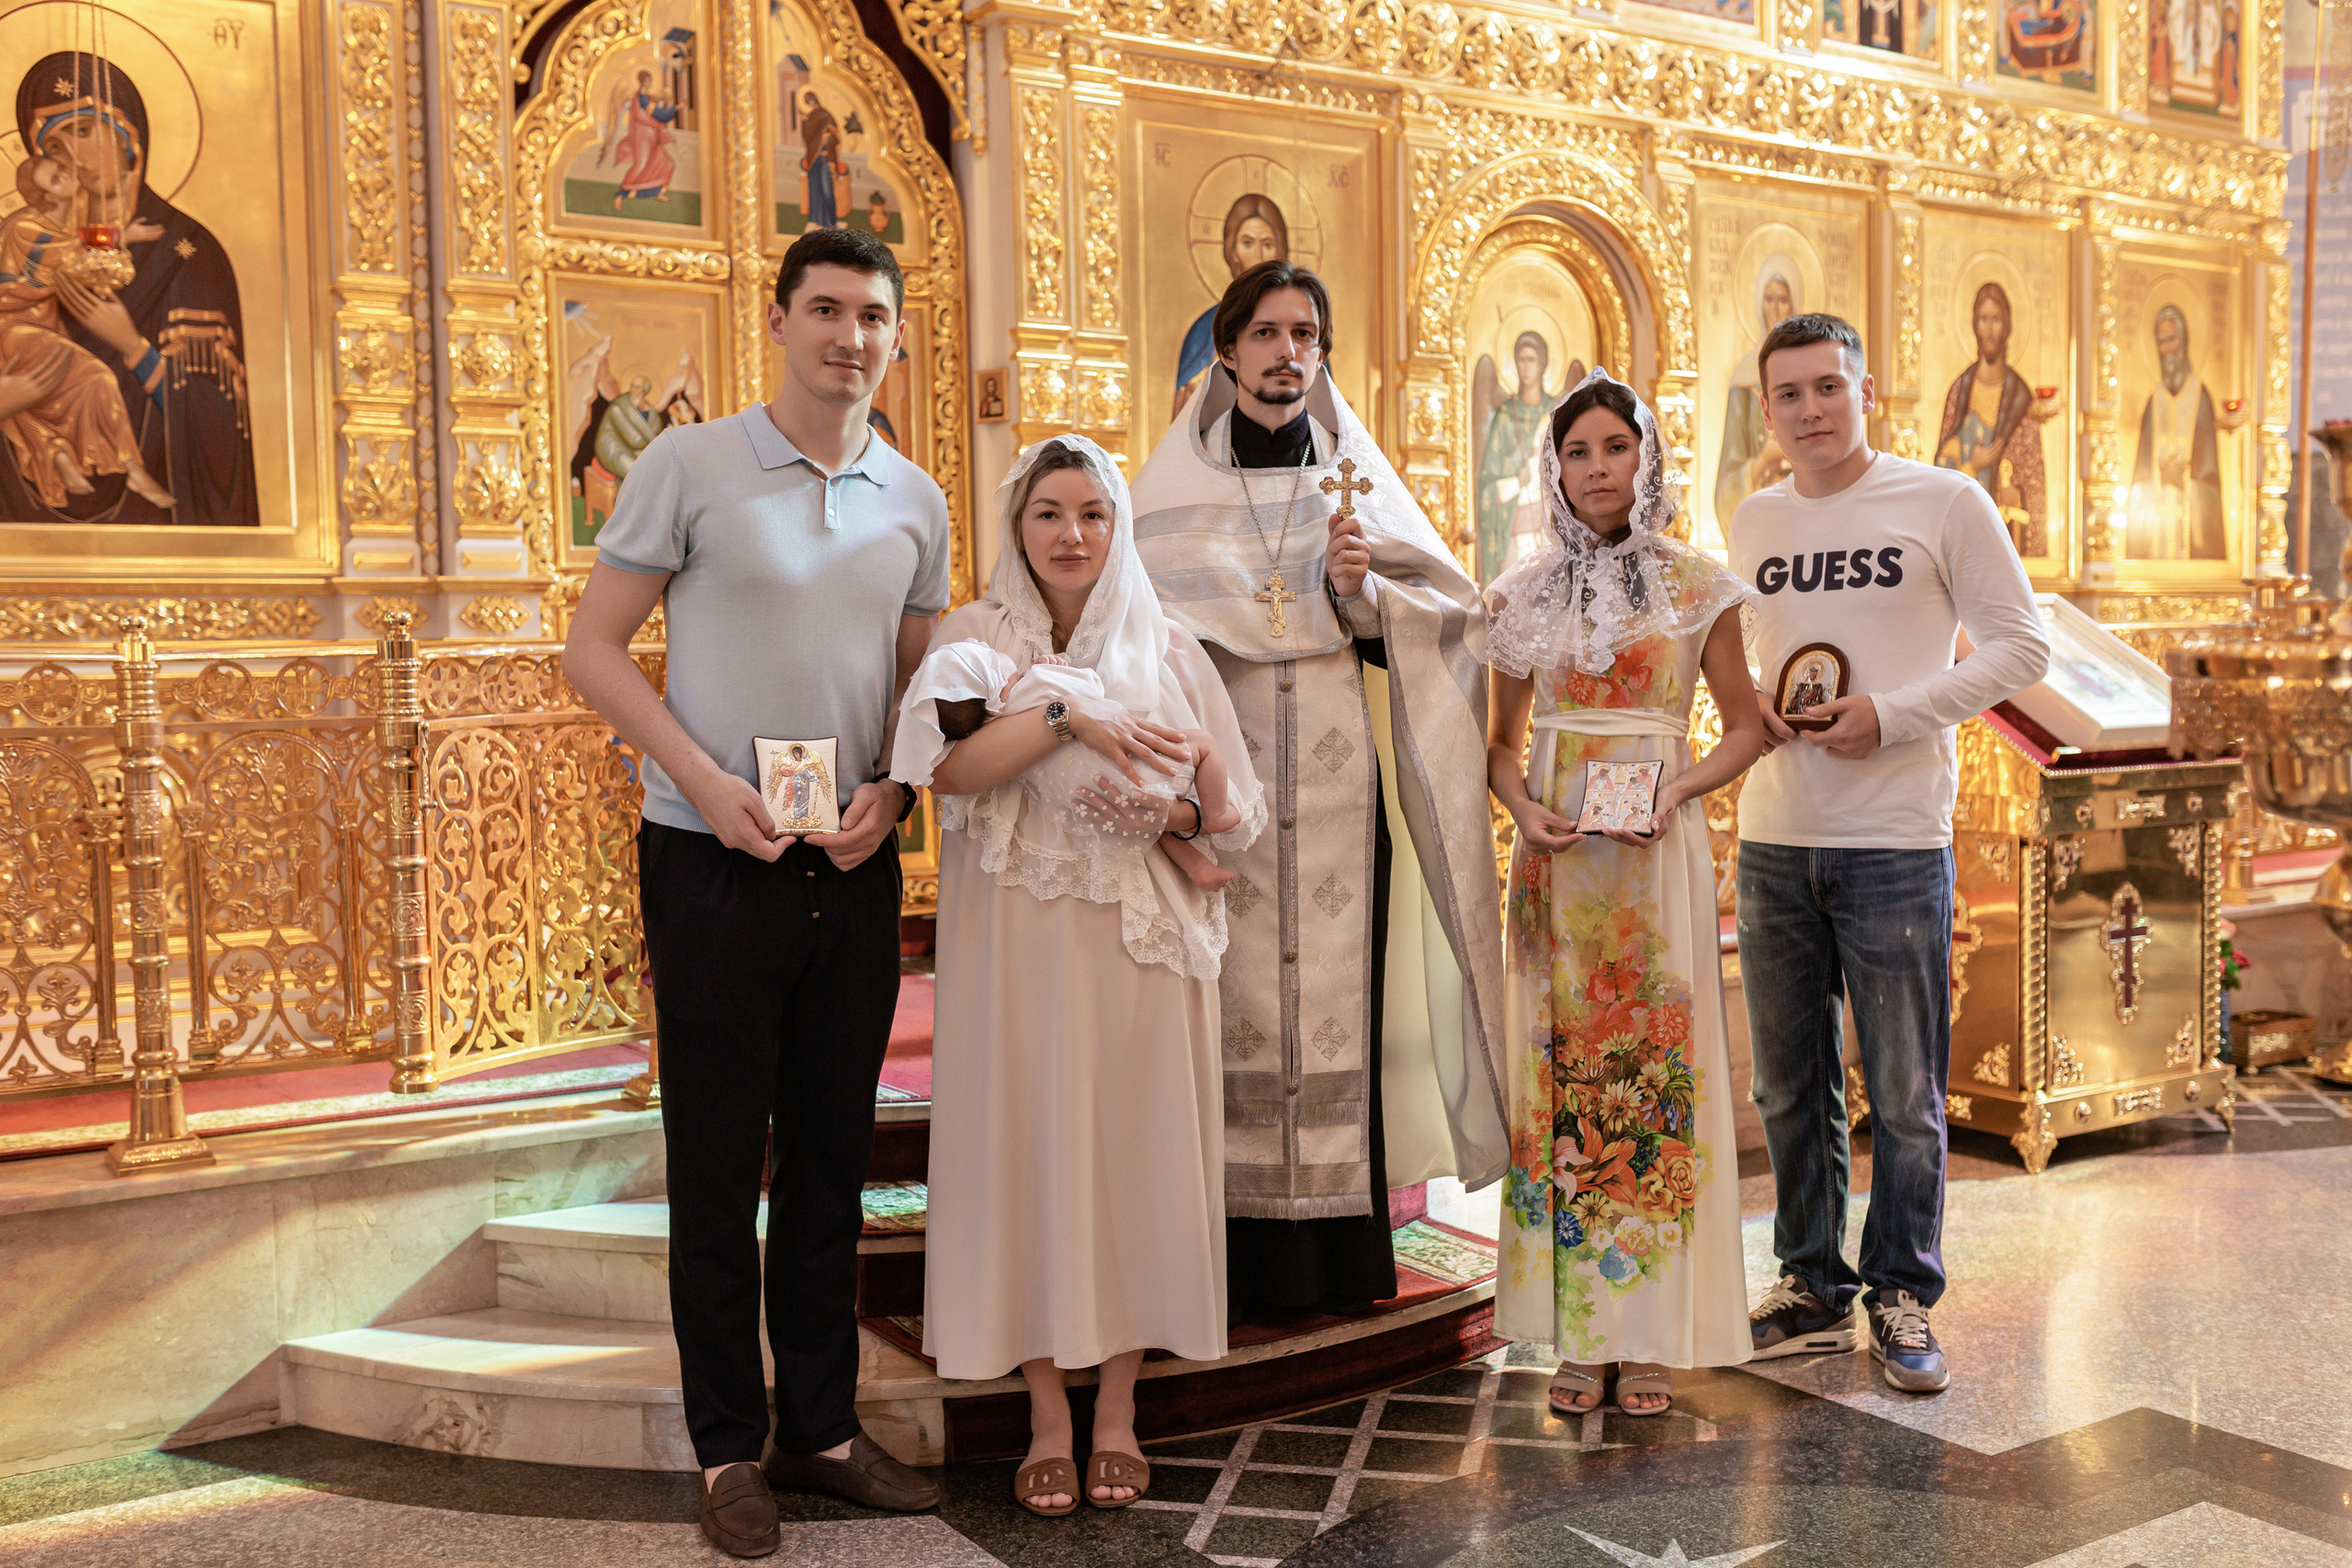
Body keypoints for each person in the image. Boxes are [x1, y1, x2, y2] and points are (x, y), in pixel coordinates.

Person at [561, 226, 950, 1558]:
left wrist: (893, 799)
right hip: (710, 849)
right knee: (721, 1165)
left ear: (895, 336)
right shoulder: (690, 464)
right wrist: (702, 776)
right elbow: (593, 646)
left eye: (874, 316)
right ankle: (731, 1444)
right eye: (827, 310)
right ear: (779, 320)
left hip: (851, 857)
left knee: (835, 1161)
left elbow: (922, 693)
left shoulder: (916, 494)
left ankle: (823, 1431)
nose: (851, 336)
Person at [1131, 259, 1510, 1322]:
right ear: (1228, 350)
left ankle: (1341, 1261)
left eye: (1306, 333)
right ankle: (1224, 1260)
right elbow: (1135, 647)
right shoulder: (1164, 502)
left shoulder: (1359, 484)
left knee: (1333, 1008)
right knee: (1229, 1008)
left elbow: (1452, 624)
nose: (1286, 351)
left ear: (1321, 355)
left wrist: (1361, 595)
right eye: (1265, 332)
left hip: (1343, 797)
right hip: (1224, 796)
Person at [899, 434, 1260, 1517]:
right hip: (1014, 940)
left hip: (1138, 944)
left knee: (1129, 1155)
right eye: (1049, 513)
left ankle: (1117, 1409)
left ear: (1117, 528)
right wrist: (1064, 711)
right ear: (1018, 523)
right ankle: (1046, 1413)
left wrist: (1169, 813)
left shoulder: (1173, 647)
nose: (1070, 535)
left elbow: (1231, 810)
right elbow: (949, 773)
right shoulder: (974, 639)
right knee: (1029, 1146)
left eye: (1092, 515)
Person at [1727, 312, 2049, 1394]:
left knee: (1904, 1092)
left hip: (1892, 841)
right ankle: (1809, 1281)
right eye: (1788, 395)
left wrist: (1896, 713)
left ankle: (1902, 1291)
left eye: (1828, 387)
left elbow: (2021, 644)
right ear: (1765, 409)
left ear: (1865, 389)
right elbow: (1747, 669)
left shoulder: (1944, 501)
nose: (1810, 411)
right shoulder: (1755, 519)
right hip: (1774, 835)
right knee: (1787, 1085)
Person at [1485, 369, 1764, 1418]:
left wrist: (1678, 791)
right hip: (1558, 861)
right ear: (1553, 470)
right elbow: (1499, 747)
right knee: (1558, 1079)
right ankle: (1575, 1334)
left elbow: (1741, 722)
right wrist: (1523, 810)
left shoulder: (1699, 586)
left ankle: (1645, 1334)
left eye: (1615, 448)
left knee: (1650, 1072)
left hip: (1653, 862)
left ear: (1648, 457)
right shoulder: (1518, 596)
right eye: (1577, 453)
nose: (1598, 470)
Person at [9, 52, 256, 525]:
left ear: (128, 133)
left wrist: (134, 348)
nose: (76, 159)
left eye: (83, 131)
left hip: (158, 523)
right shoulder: (32, 249)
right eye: (56, 148)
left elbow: (222, 430)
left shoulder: (188, 252)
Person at [901, 640, 1238, 891]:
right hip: (1143, 767)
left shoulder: (995, 728)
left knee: (1150, 822)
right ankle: (1217, 813)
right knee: (1205, 745)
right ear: (992, 683)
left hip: (1097, 799)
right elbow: (1092, 689)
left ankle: (1197, 867)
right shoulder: (1039, 682)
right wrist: (1057, 667)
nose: (999, 653)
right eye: (993, 658)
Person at [0, 155, 174, 510]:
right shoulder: (26, 226)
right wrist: (126, 234)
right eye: (55, 176)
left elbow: (82, 261)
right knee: (97, 375)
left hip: (44, 325)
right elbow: (69, 254)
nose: (66, 173)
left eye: (62, 169)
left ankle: (58, 453)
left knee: (52, 395)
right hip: (14, 327)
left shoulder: (61, 225)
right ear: (45, 195)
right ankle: (130, 468)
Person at [1933, 282, 2046, 556]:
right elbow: (1940, 470)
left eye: (1996, 320)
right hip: (1965, 532)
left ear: (2006, 326)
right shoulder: (1961, 390)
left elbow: (2032, 475)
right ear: (1975, 325)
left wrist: (2016, 493)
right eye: (1984, 319)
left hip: (2008, 532)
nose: (1990, 330)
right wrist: (1973, 465)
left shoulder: (2020, 395)